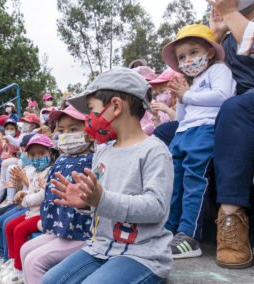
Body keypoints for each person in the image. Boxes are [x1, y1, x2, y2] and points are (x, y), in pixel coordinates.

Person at [42, 68, 174, 284]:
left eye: (92, 110)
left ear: (115, 106)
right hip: (100, 248)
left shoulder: (155, 151)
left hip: (141, 254)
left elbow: (156, 207)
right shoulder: (102, 151)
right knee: (50, 281)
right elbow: (100, 205)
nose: (89, 118)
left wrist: (102, 200)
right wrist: (86, 203)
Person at [162, 24, 237, 259]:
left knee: (195, 182)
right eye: (181, 57)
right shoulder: (190, 83)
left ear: (210, 52)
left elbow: (223, 97)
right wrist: (182, 99)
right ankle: (167, 231)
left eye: (193, 52)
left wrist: (188, 95)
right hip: (183, 134)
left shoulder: (219, 70)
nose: (187, 60)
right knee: (173, 183)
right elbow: (182, 118)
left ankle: (189, 236)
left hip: (205, 132)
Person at [21, 106, 94, 284]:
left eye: (74, 129)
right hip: (60, 229)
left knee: (34, 261)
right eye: (61, 130)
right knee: (25, 250)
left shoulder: (94, 160)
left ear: (90, 132)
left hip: (81, 232)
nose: (66, 134)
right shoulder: (62, 159)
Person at [206, 0, 254, 269]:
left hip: (242, 107)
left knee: (235, 107)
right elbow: (203, 84)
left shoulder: (240, 23)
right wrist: (215, 38)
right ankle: (183, 226)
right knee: (168, 132)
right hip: (232, 111)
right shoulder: (225, 40)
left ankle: (231, 217)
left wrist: (231, 14)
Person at [0, 134, 54, 284]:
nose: (37, 157)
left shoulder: (51, 171)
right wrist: (22, 193)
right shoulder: (34, 172)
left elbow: (43, 195)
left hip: (42, 215)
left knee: (19, 230)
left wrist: (26, 199)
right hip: (32, 212)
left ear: (51, 154)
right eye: (33, 154)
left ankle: (20, 270)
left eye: (42, 153)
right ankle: (13, 261)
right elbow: (32, 190)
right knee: (9, 225)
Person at [0, 119, 20, 208]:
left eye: (12, 128)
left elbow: (16, 150)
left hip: (12, 161)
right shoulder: (3, 140)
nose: (9, 130)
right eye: (7, 128)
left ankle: (6, 197)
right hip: (3, 164)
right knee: (0, 173)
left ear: (16, 130)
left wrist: (10, 141)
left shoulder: (15, 140)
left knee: (4, 174)